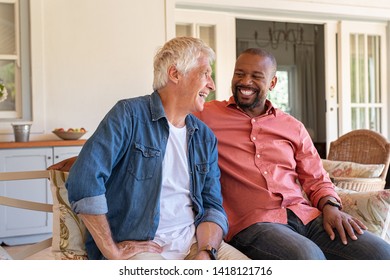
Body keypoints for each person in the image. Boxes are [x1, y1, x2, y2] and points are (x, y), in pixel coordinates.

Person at [56, 37, 249, 260]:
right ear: (175, 74)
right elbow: (84, 180)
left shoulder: (204, 137)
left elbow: (212, 206)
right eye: (205, 73)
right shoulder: (128, 115)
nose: (212, 84)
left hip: (196, 243)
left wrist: (206, 252)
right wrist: (113, 251)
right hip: (142, 247)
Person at [194, 47, 390, 259]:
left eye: (256, 76)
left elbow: (316, 177)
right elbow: (170, 114)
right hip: (254, 223)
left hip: (305, 216)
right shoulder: (206, 115)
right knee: (308, 258)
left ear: (272, 83)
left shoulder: (292, 126)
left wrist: (331, 207)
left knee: (380, 253)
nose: (245, 81)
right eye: (240, 74)